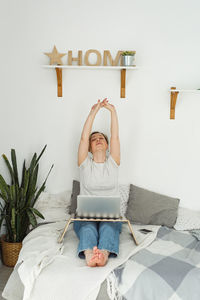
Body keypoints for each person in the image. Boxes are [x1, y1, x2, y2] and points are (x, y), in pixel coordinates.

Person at [73, 98, 121, 267]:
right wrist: (93, 112)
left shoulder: (113, 163)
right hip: (86, 216)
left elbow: (115, 136)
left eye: (102, 138)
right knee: (88, 228)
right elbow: (82, 138)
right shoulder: (84, 164)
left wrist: (112, 111)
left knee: (108, 228)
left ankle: (103, 254)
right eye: (94, 139)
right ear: (89, 147)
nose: (98, 139)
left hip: (110, 217)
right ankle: (89, 256)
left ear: (107, 145)